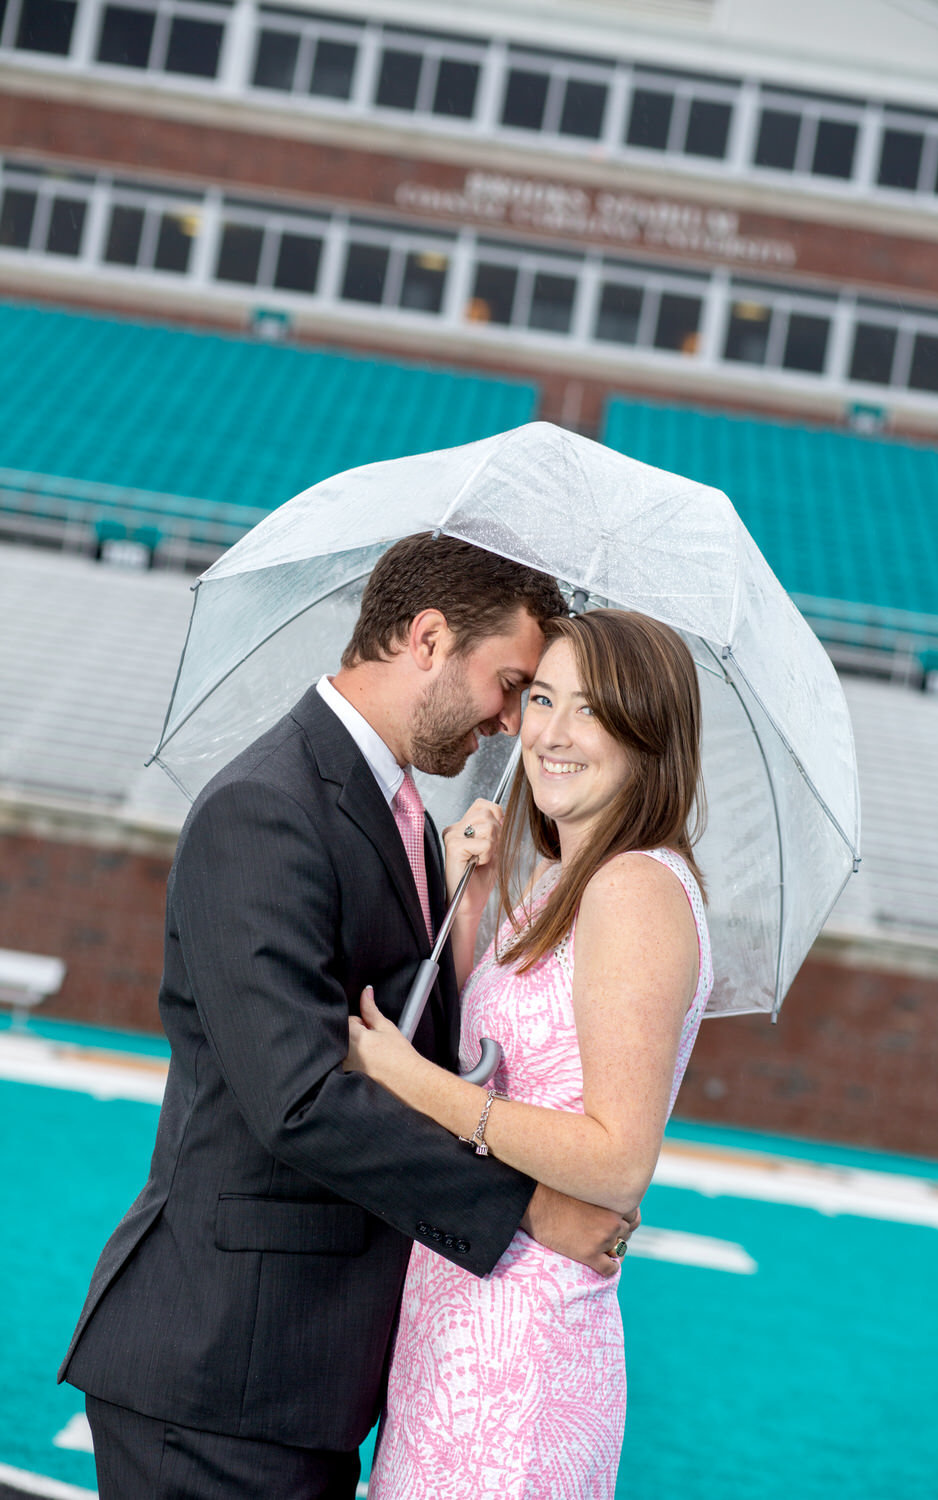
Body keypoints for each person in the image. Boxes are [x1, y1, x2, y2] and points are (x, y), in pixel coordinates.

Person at [59, 534, 638, 1500]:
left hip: (294, 1378)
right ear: (426, 637)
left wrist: (461, 923)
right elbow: (298, 1097)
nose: (510, 723)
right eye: (509, 683)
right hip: (219, 1368)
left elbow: (391, 1037)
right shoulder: (265, 806)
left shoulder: (397, 808)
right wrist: (530, 1210)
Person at [345, 608, 714, 1500]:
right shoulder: (559, 881)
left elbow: (617, 1161)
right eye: (542, 696)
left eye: (588, 710)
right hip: (462, 1314)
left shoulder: (632, 888)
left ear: (648, 733)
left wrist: (409, 1081)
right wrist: (466, 899)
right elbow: (507, 1056)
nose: (548, 731)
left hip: (524, 1347)